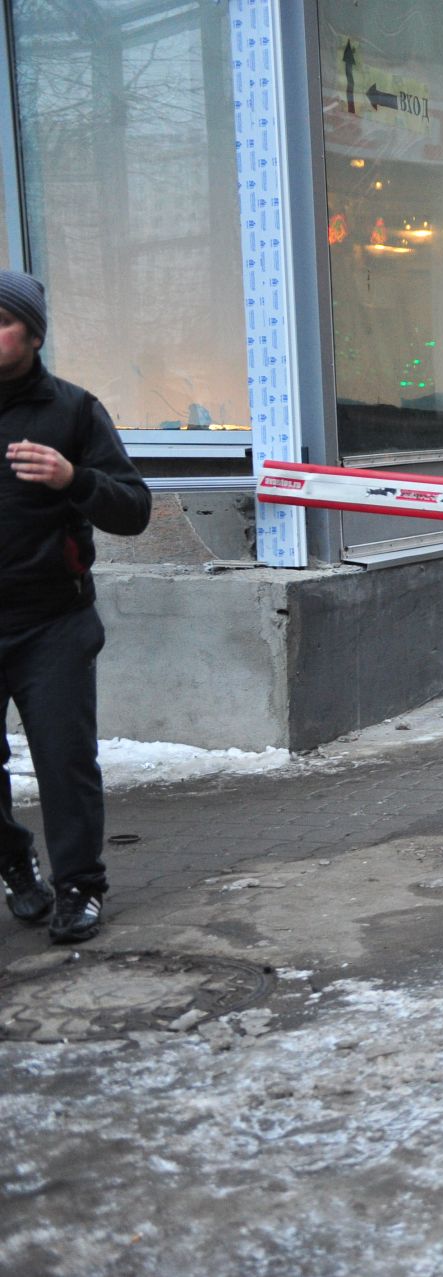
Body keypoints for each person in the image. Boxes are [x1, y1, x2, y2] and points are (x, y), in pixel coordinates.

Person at [0, 270, 152, 945]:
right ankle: (13, 860)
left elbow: (135, 508)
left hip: (51, 622)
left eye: (1, 319)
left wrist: (74, 478)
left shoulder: (73, 410)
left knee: (64, 757)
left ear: (32, 334)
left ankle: (78, 887)